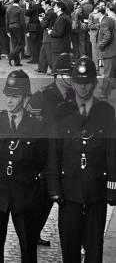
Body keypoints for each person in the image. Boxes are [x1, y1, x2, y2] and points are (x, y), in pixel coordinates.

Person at [47, 57, 116, 262]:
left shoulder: (106, 112)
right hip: (69, 191)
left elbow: (112, 151)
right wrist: (54, 188)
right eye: (78, 82)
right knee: (70, 248)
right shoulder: (62, 111)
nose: (83, 87)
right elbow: (54, 153)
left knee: (94, 250)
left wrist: (112, 188)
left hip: (96, 190)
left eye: (87, 82)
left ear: (94, 83)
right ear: (73, 83)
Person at [0, 70, 46, 263]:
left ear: (26, 97)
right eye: (8, 95)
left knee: (28, 249)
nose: (10, 100)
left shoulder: (36, 126)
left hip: (25, 195)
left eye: (15, 96)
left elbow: (40, 160)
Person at [27, 52, 74, 247]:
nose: (71, 78)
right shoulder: (42, 97)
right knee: (41, 203)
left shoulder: (75, 96)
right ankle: (30, 235)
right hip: (45, 159)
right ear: (57, 75)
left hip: (66, 158)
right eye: (67, 74)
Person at [97, 2, 116, 99]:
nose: (94, 14)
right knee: (110, 73)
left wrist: (101, 45)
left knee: (107, 73)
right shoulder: (109, 20)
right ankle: (106, 91)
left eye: (95, 13)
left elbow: (107, 36)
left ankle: (104, 93)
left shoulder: (104, 22)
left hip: (109, 51)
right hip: (112, 50)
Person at [5, 0, 26, 66]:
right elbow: (22, 21)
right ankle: (11, 56)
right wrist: (25, 30)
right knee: (21, 44)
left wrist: (7, 30)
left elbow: (6, 20)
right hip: (18, 27)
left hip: (10, 27)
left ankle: (16, 62)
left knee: (15, 44)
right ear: (19, 1)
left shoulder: (8, 9)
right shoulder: (20, 9)